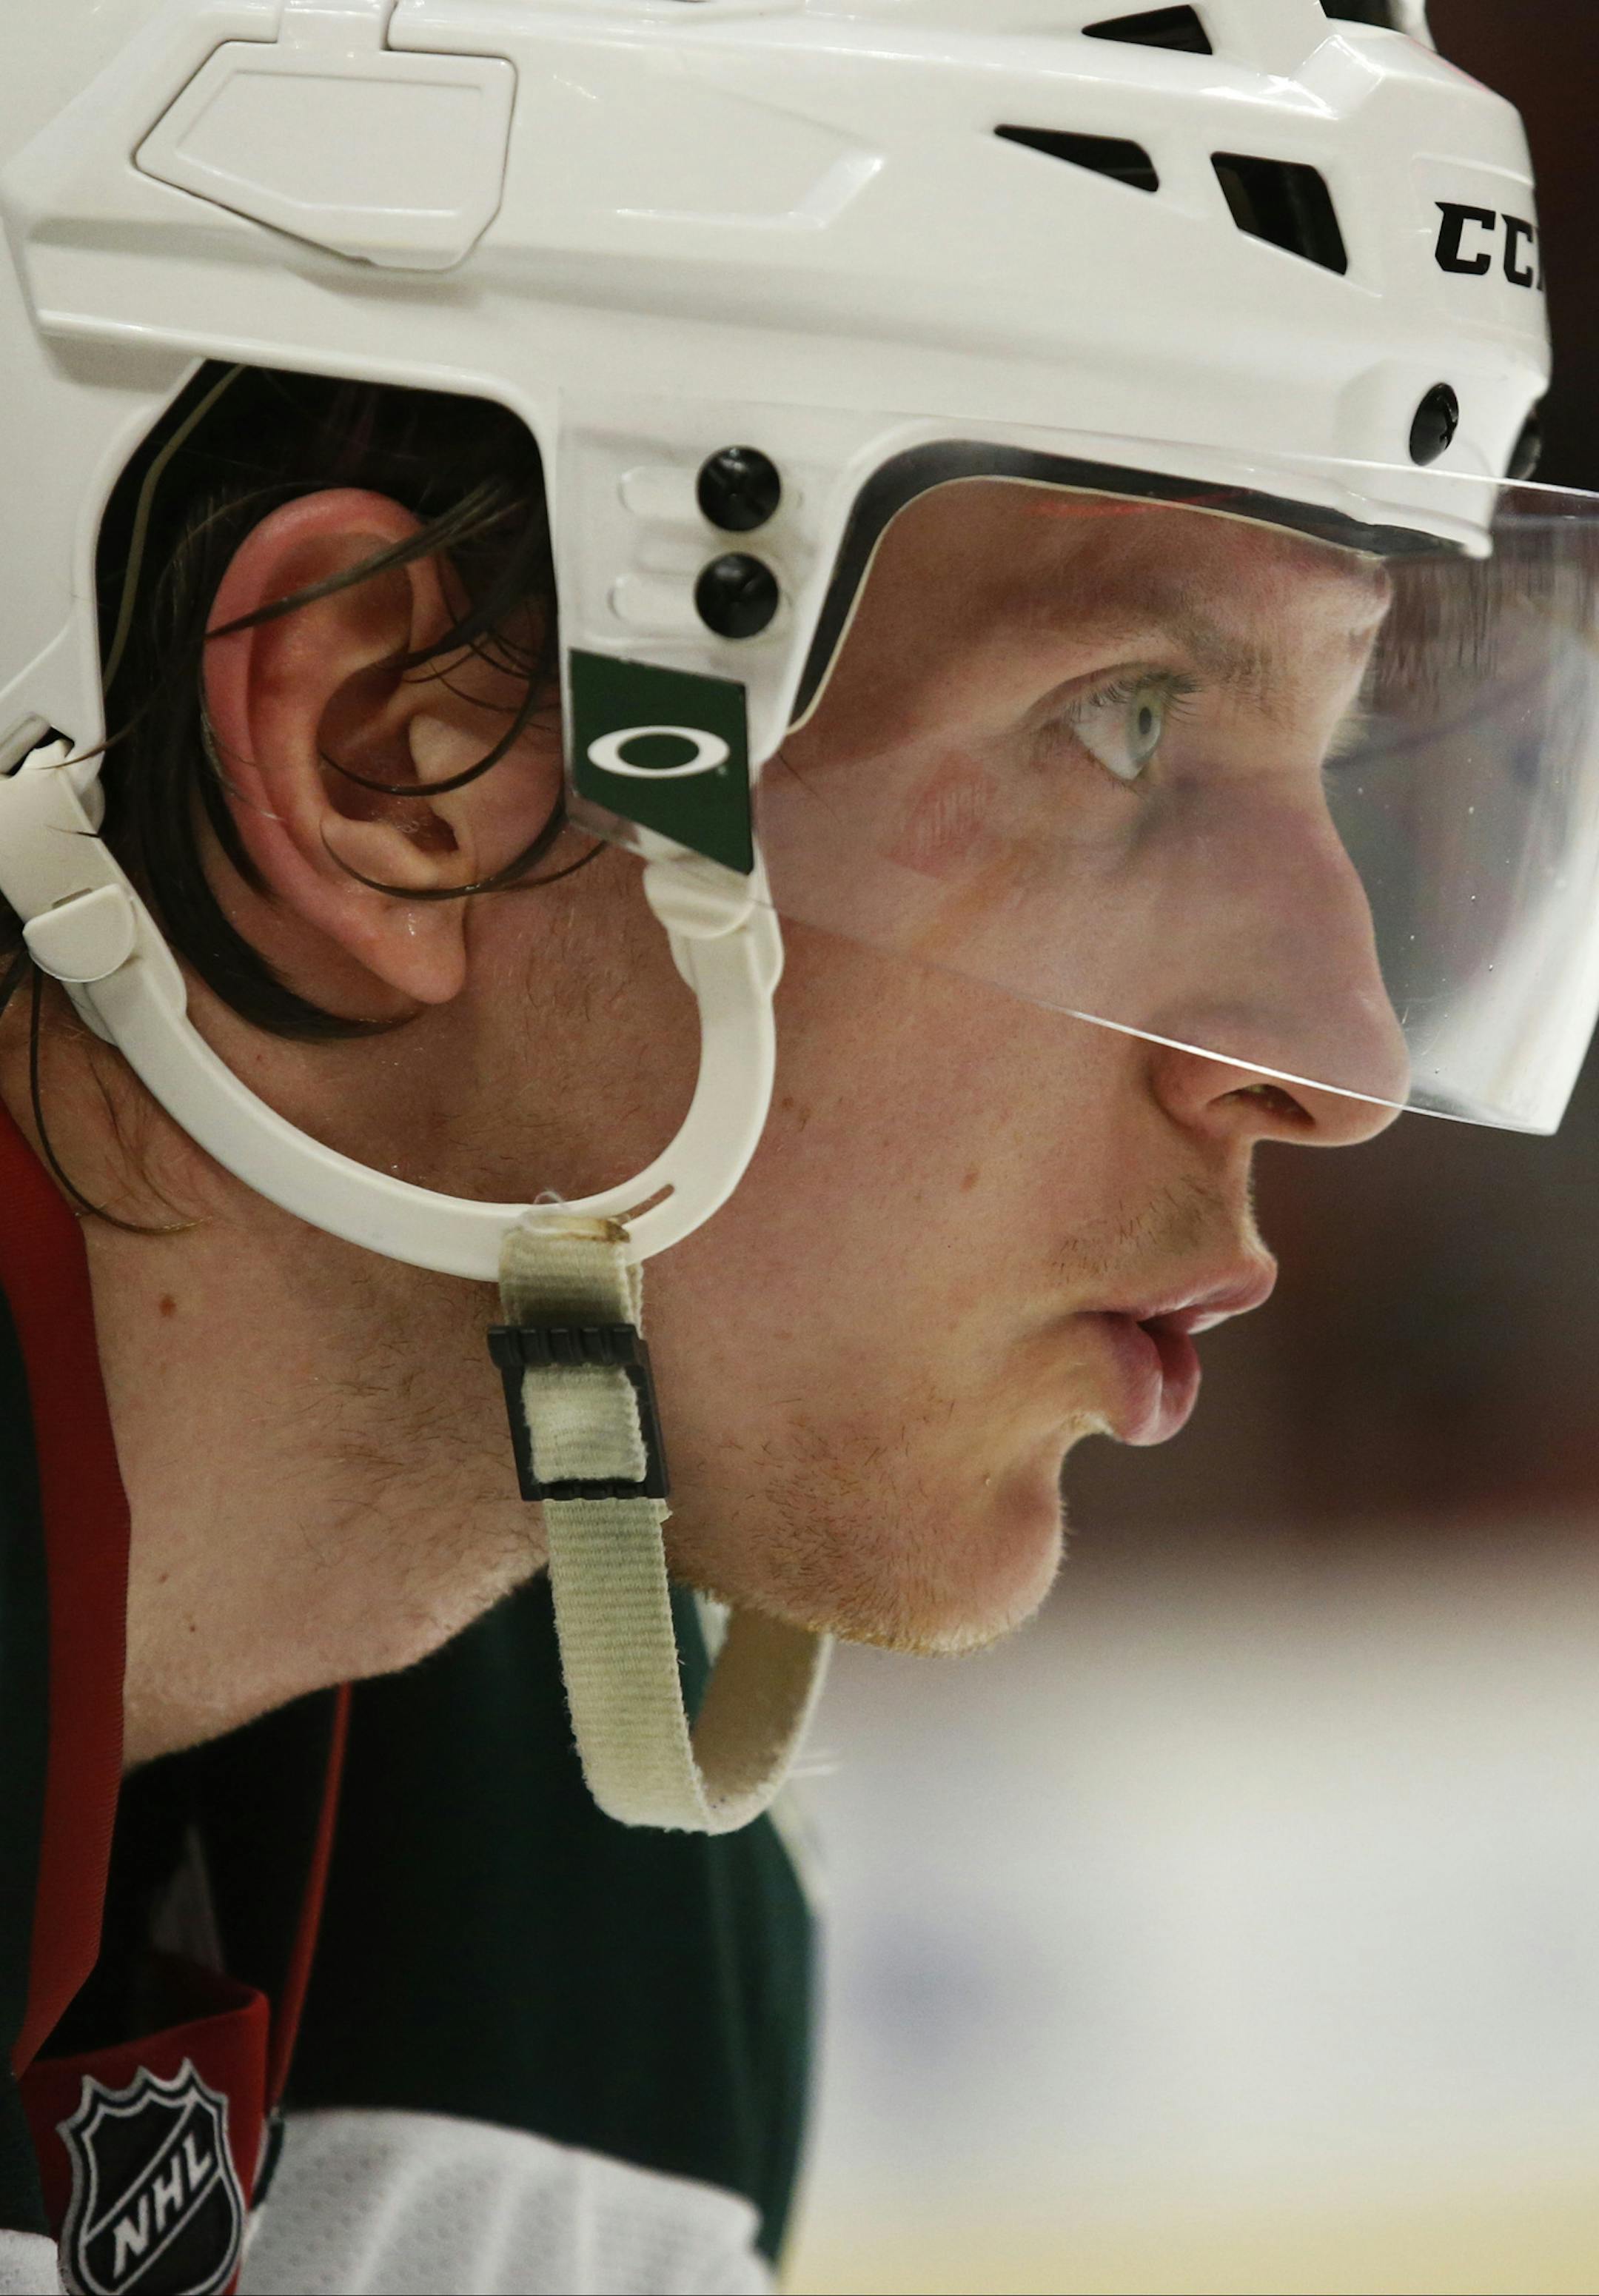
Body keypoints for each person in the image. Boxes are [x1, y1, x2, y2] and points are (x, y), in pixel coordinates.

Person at [1, 1, 1596, 2290]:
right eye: (1126, 721)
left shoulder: (581, 1945)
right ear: (392, 767)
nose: (1337, 1057)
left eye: (1338, 752)